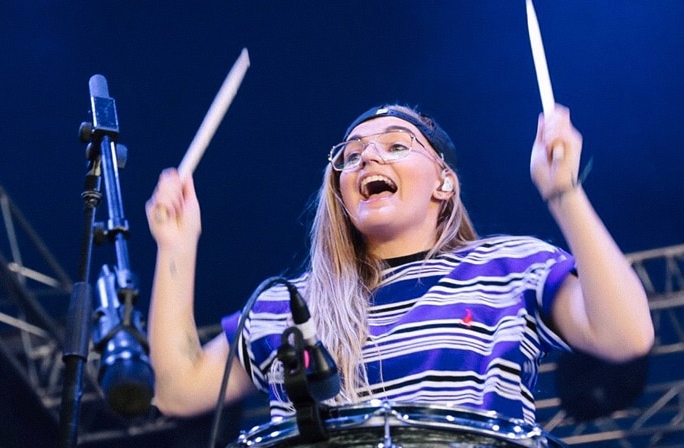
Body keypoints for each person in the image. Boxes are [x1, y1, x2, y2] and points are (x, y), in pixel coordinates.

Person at [145, 103, 654, 424]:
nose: (368, 158)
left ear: (443, 182)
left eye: (395, 145)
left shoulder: (510, 267)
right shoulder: (287, 305)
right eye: (352, 153)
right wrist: (176, 246)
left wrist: (564, 192)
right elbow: (178, 390)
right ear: (341, 194)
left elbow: (626, 335)